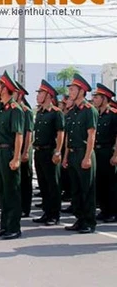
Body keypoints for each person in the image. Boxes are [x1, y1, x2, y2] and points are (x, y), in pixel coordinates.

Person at [0, 71, 24, 240]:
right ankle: (4, 226)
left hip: (9, 151)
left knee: (12, 191)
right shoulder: (1, 108)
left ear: (5, 89)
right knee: (2, 190)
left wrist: (16, 157)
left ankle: (14, 227)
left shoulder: (15, 109)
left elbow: (19, 135)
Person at [62, 74, 98, 233]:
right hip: (73, 153)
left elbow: (91, 135)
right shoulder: (72, 112)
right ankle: (79, 218)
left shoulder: (89, 110)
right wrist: (65, 157)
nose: (70, 91)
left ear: (82, 91)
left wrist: (87, 157)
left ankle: (89, 222)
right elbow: (68, 136)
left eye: (73, 89)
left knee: (87, 189)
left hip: (84, 153)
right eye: (69, 89)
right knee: (76, 189)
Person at [32, 80, 65, 226]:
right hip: (39, 151)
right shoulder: (40, 112)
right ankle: (46, 212)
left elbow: (60, 133)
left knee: (53, 184)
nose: (38, 96)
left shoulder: (56, 113)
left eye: (41, 93)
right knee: (43, 184)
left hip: (50, 151)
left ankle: (54, 214)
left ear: (48, 95)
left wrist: (58, 152)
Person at [91, 83, 117, 223]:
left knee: (111, 184)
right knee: (99, 182)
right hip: (97, 151)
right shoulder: (96, 114)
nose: (94, 99)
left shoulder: (113, 114)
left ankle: (113, 211)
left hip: (108, 151)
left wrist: (115, 154)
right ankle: (104, 210)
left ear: (105, 99)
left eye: (97, 97)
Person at [15, 82, 34, 218]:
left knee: (25, 179)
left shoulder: (26, 111)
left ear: (20, 95)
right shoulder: (13, 109)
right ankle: (19, 205)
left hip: (24, 148)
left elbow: (28, 133)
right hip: (15, 148)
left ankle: (25, 208)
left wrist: (26, 151)